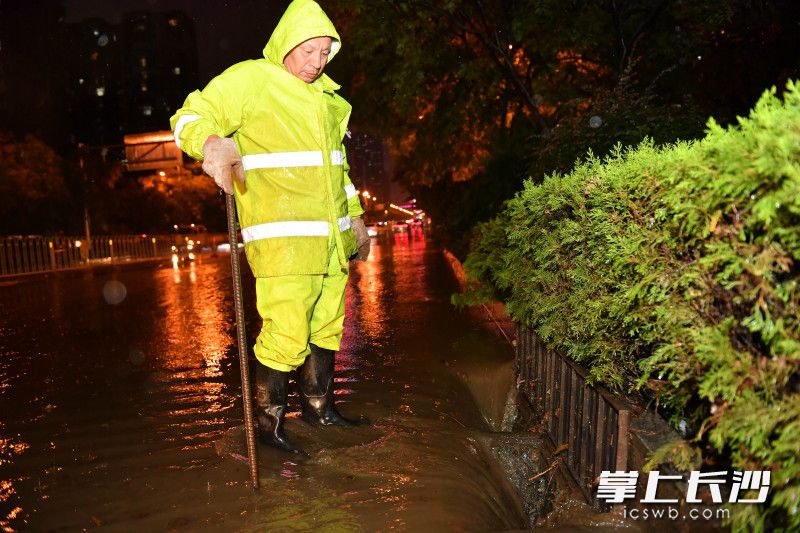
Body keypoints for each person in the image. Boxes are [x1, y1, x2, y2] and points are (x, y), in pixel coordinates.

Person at [170, 0, 369, 454]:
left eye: (325, 52)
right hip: (285, 245)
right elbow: (188, 116)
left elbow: (337, 169)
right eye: (308, 51)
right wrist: (211, 144)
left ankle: (320, 410)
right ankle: (268, 426)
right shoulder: (252, 81)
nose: (317, 62)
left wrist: (356, 218)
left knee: (326, 327)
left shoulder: (326, 99)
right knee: (286, 333)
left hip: (331, 245)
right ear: (286, 44)